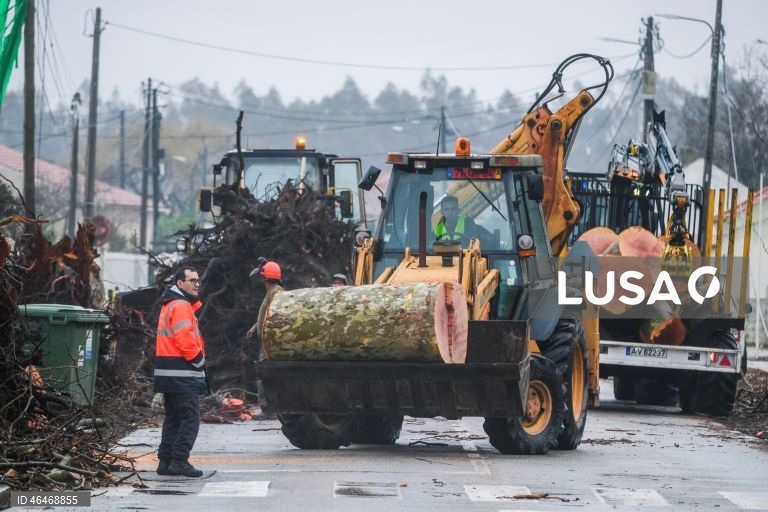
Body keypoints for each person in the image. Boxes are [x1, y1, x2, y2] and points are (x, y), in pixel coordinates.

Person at [154, 266, 208, 478]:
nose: (196, 284)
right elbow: (184, 339)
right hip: (182, 374)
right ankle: (179, 461)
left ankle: (165, 461)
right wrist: (199, 360)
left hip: (169, 374)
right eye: (191, 280)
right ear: (179, 283)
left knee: (174, 418)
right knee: (190, 418)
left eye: (197, 280)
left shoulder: (169, 304)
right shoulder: (182, 306)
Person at [246, 261, 285, 349]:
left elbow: (276, 317)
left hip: (272, 346)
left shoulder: (276, 292)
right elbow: (268, 315)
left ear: (264, 277)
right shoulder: (271, 291)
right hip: (267, 345)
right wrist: (255, 327)